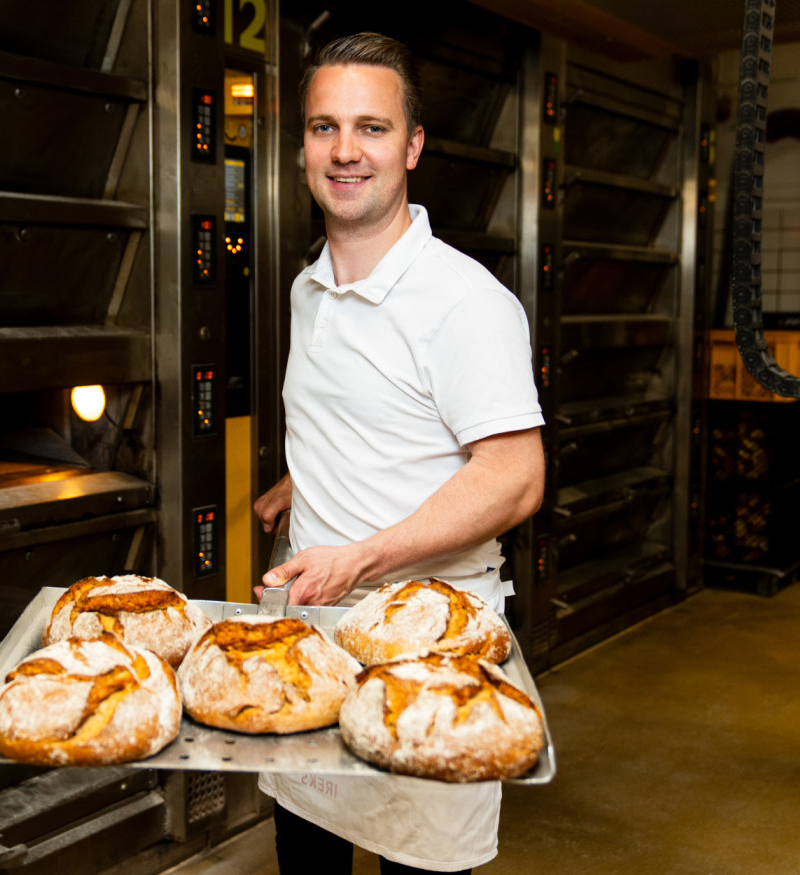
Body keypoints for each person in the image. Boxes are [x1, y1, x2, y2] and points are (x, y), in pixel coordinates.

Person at [251, 31, 546, 875]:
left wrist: (366, 555)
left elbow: (514, 475)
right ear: (301, 144)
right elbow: (377, 409)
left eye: (373, 128)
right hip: (313, 637)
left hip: (432, 647)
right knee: (307, 853)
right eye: (323, 128)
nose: (346, 152)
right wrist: (302, 473)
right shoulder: (313, 282)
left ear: (412, 146)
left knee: (420, 859)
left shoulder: (464, 303)